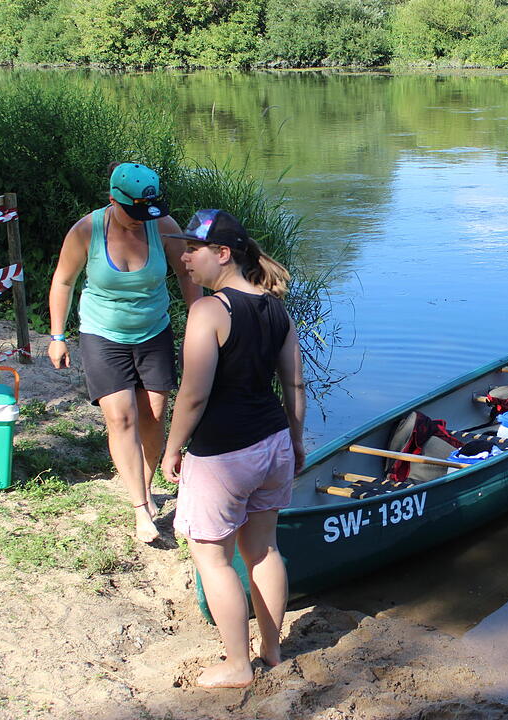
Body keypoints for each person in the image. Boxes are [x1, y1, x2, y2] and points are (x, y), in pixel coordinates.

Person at [159, 209, 305, 690]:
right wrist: (298, 441)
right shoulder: (277, 307)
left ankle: (238, 665)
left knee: (212, 558)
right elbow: (295, 384)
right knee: (263, 550)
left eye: (192, 249)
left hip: (223, 455)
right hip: (273, 444)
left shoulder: (209, 311)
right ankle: (273, 650)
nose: (183, 256)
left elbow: (193, 395)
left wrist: (172, 448)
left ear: (222, 254)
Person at [48, 162, 202, 543]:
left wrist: (199, 320)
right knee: (121, 418)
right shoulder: (87, 230)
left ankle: (145, 489)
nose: (140, 221)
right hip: (103, 334)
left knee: (154, 413)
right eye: (133, 213)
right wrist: (57, 335)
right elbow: (63, 281)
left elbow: (185, 273)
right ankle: (139, 509)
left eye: (146, 213)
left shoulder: (163, 225)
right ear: (113, 199)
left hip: (153, 331)